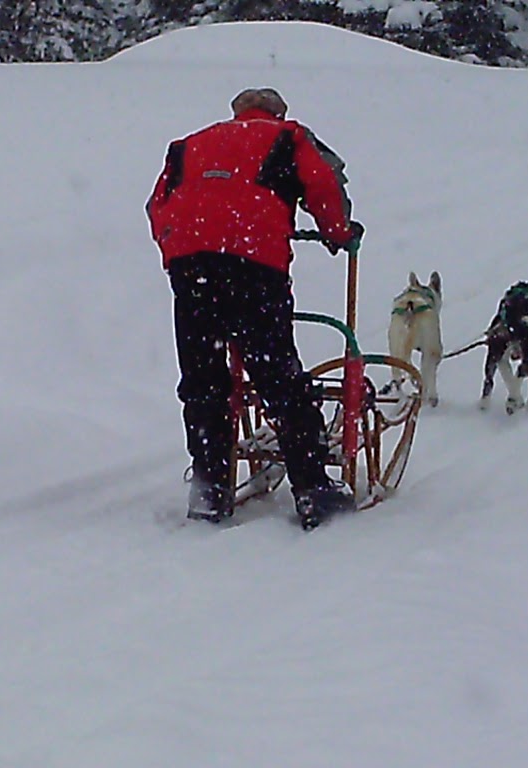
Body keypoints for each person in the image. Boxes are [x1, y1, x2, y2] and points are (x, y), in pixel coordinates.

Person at [146, 87, 364, 530]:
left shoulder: (190, 142)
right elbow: (323, 182)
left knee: (202, 376)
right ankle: (312, 488)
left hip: (191, 266)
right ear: (277, 112)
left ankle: (209, 486)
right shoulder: (289, 136)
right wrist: (338, 233)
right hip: (253, 261)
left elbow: (157, 204)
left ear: (235, 113)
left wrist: (178, 245)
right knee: (278, 374)